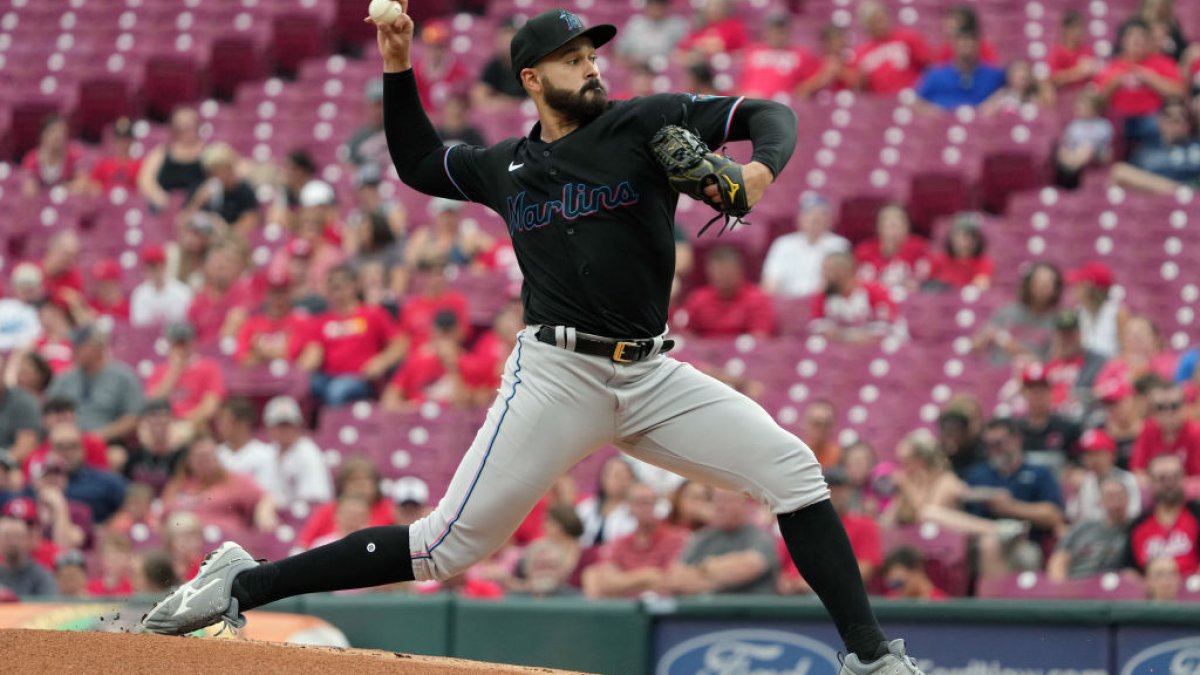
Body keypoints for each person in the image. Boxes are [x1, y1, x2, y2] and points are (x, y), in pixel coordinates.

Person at [142, 9, 925, 674]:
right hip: (556, 376)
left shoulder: (642, 121)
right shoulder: (505, 166)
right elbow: (418, 162)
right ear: (531, 78)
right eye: (573, 58)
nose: (591, 67)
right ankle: (241, 583)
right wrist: (397, 65)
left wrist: (757, 176)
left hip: (652, 375)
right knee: (443, 546)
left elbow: (765, 115)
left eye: (592, 55)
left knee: (792, 468)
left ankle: (871, 656)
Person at [964, 418, 1064, 578]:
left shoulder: (1038, 473)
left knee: (1026, 555)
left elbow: (1053, 515)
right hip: (980, 539)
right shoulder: (977, 475)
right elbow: (963, 512)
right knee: (989, 544)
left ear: (1016, 440)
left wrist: (1010, 507)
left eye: (999, 443)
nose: (994, 450)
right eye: (988, 445)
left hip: (1024, 541)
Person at [298, 265, 408, 406]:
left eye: (341, 285)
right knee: (303, 386)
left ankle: (334, 425)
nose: (337, 291)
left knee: (338, 390)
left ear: (354, 285)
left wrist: (382, 362)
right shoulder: (323, 321)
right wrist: (301, 370)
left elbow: (400, 344)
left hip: (360, 379)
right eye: (332, 287)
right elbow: (313, 353)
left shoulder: (372, 314)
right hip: (328, 377)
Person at [778, 467, 881, 595]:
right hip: (795, 598)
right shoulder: (799, 525)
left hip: (840, 596)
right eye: (830, 487)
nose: (836, 493)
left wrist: (816, 584)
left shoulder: (864, 525)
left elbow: (866, 569)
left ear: (849, 492)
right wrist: (785, 582)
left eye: (841, 488)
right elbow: (779, 565)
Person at [581, 482, 689, 598]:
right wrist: (645, 577)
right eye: (640, 502)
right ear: (630, 507)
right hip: (624, 609)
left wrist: (621, 582)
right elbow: (604, 579)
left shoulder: (675, 537)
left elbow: (670, 581)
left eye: (649, 502)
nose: (645, 507)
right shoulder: (621, 542)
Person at [662, 488, 779, 595]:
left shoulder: (759, 536)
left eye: (726, 501)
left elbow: (747, 568)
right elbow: (674, 579)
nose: (719, 506)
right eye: (715, 501)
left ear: (743, 503)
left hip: (749, 613)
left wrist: (700, 571)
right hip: (703, 613)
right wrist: (712, 573)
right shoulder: (702, 537)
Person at [45, 326, 143, 444]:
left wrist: (97, 437)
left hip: (108, 442)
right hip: (65, 442)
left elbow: (133, 417)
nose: (76, 351)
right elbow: (47, 413)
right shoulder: (64, 379)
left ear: (99, 347)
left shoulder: (123, 377)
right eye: (75, 346)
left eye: (82, 346)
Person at [160, 437, 277, 536]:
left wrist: (264, 515)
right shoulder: (178, 485)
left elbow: (265, 498)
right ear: (189, 461)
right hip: (183, 544)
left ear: (217, 457)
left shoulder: (234, 480)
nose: (204, 461)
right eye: (199, 457)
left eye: (208, 456)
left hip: (224, 542)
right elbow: (161, 517)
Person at [1093, 20, 1185, 145]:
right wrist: (1114, 83)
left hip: (1152, 118)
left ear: (1148, 41)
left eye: (1141, 37)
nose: (1137, 41)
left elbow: (1179, 92)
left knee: (1159, 124)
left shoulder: (1162, 62)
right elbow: (1096, 102)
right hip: (1119, 120)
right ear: (1123, 41)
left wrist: (1151, 79)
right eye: (1132, 37)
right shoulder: (1111, 67)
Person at [143, 321, 226, 438]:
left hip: (193, 424)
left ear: (193, 342)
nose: (181, 347)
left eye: (184, 342)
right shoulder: (159, 370)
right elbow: (152, 403)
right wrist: (174, 371)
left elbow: (210, 406)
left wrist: (184, 422)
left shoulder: (209, 367)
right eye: (177, 343)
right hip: (163, 425)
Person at [761, 193, 850, 299]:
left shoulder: (839, 245)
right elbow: (770, 282)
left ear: (830, 220)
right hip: (786, 303)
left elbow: (839, 283)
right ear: (799, 219)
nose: (814, 220)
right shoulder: (783, 244)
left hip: (822, 302)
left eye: (820, 216)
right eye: (809, 215)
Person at [1124, 454, 1200, 576]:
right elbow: (1129, 570)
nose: (1169, 483)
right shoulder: (1138, 525)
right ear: (1150, 482)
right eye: (1162, 478)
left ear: (1184, 478)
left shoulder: (1197, 515)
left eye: (1175, 477)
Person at [296, 456, 394, 550]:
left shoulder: (391, 510)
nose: (361, 485)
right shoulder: (327, 511)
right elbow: (303, 545)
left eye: (367, 479)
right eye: (354, 480)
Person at [974, 261, 1063, 364]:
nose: (1045, 286)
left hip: (1033, 377)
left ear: (1056, 288)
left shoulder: (1059, 321)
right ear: (1029, 284)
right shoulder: (1007, 311)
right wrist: (984, 338)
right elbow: (976, 344)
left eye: (1050, 282)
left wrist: (1007, 342)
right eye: (1040, 281)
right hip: (996, 374)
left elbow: (1050, 362)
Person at [678, 246, 776, 338]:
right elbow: (684, 334)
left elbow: (759, 338)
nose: (720, 276)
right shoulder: (698, 298)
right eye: (716, 271)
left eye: (726, 272)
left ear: (739, 271)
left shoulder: (757, 299)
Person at [1049, 477, 1135, 581]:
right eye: (1110, 497)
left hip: (1111, 587)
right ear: (1100, 501)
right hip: (1076, 585)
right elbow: (1060, 558)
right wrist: (1060, 587)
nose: (1115, 502)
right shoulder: (1082, 527)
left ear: (1128, 499)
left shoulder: (1135, 529)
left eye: (1119, 496)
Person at [1110, 99, 1200, 195]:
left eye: (1182, 116)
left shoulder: (1197, 145)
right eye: (1168, 115)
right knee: (1119, 170)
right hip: (1155, 200)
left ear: (1188, 124)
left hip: (1194, 199)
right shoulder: (1146, 150)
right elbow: (1123, 176)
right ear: (1160, 120)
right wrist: (1174, 188)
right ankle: (1179, 190)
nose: (1175, 121)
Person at [809, 252, 902, 343]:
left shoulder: (875, 291)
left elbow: (886, 329)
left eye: (827, 270)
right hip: (840, 352)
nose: (823, 275)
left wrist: (842, 336)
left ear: (842, 272)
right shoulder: (825, 293)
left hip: (877, 351)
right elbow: (816, 327)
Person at [45, 422, 126, 524]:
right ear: (50, 451)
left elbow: (133, 504)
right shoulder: (40, 484)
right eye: (60, 447)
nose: (67, 453)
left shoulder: (106, 482)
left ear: (83, 449)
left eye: (73, 446)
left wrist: (110, 527)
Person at [850, 0, 932, 94]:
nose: (881, 25)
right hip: (879, 103)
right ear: (866, 26)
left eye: (882, 19)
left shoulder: (908, 37)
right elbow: (859, 88)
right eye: (875, 22)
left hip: (911, 96)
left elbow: (928, 65)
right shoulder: (860, 53)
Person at [263, 396, 333, 506]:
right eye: (279, 425)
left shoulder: (308, 453)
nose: (284, 430)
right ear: (269, 428)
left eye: (288, 425)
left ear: (298, 426)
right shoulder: (267, 452)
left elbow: (314, 501)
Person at [915, 27, 1006, 110]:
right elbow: (916, 102)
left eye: (971, 41)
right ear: (953, 45)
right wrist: (937, 114)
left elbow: (1010, 95)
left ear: (978, 45)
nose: (967, 45)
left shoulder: (994, 76)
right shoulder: (935, 75)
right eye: (962, 42)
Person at [234, 270, 312, 367]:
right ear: (265, 294)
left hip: (287, 379)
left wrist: (260, 351)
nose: (277, 298)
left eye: (281, 292)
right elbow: (241, 359)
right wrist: (271, 354)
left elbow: (293, 357)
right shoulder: (251, 324)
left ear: (289, 294)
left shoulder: (301, 322)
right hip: (256, 378)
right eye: (273, 293)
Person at [136, 107, 208, 211]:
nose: (187, 132)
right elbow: (145, 180)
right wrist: (158, 196)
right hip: (165, 208)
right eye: (182, 127)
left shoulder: (210, 152)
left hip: (198, 209)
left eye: (190, 126)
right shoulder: (161, 153)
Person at [181, 143, 260, 236]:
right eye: (214, 171)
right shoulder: (201, 188)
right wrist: (198, 201)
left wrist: (223, 229)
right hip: (202, 239)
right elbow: (183, 224)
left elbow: (250, 222)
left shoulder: (243, 190)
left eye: (223, 169)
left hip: (230, 241)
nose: (220, 175)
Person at [1068, 428, 1141, 523]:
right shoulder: (1085, 481)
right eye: (1087, 454)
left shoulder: (1128, 479)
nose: (1091, 459)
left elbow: (1133, 512)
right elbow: (1071, 514)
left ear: (1112, 455)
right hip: (1089, 533)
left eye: (1097, 453)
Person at [739, 13, 818, 100]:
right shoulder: (753, 50)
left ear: (788, 32)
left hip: (780, 104)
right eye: (773, 30)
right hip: (751, 101)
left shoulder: (800, 55)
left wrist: (795, 94)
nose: (777, 35)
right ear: (766, 32)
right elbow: (740, 79)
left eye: (781, 31)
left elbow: (813, 80)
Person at [1130, 381, 1200, 480]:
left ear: (1185, 406)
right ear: (1152, 410)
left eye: (1174, 406)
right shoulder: (1147, 430)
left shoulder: (1196, 433)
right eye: (1160, 407)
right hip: (1156, 493)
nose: (1168, 412)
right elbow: (1138, 472)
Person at [214, 398, 282, 500]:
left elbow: (265, 494)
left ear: (243, 424)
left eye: (225, 421)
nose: (220, 427)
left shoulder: (266, 454)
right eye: (219, 421)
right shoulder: (214, 454)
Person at [854, 204, 929, 292]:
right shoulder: (864, 250)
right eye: (887, 223)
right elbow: (860, 284)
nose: (892, 228)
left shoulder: (919, 247)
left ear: (907, 226)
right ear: (878, 227)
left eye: (896, 223)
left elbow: (923, 280)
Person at [121, 399, 185, 496]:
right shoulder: (134, 451)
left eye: (164, 415)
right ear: (145, 421)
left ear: (172, 420)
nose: (159, 419)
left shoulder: (182, 453)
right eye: (154, 415)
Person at [1016, 363, 1082, 457]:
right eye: (1032, 390)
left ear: (1051, 392)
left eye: (1042, 389)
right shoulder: (1014, 431)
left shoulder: (1068, 429)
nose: (1037, 395)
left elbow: (1076, 463)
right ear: (1023, 392)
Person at [1067, 261, 1127, 361]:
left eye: (1079, 285)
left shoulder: (1118, 313)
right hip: (1084, 369)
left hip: (1108, 370)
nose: (1074, 289)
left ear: (1090, 289)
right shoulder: (1078, 312)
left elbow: (1126, 353)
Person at [1054, 92, 1115, 189]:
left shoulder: (1103, 125)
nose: (1080, 107)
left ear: (1095, 109)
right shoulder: (1074, 125)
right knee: (1061, 151)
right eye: (1079, 105)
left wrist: (1084, 148)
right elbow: (1068, 144)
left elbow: (1101, 144)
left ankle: (1070, 171)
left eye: (1084, 105)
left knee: (1086, 148)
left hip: (1097, 154)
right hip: (1075, 153)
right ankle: (1069, 171)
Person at [575, 456, 637, 547]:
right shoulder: (586, 507)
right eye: (616, 475)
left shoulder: (633, 512)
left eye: (626, 477)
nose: (620, 481)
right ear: (603, 477)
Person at [20, 114, 86, 196]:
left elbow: (82, 184)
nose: (59, 136)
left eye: (62, 132)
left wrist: (64, 189)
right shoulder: (32, 159)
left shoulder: (74, 156)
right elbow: (28, 190)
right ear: (43, 135)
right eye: (53, 132)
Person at [925, 212, 992, 290]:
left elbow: (981, 286)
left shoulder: (983, 263)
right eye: (959, 235)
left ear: (977, 240)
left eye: (968, 236)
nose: (963, 241)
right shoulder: (939, 259)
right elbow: (927, 285)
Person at [0, 510, 57, 597]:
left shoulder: (41, 576)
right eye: (7, 537)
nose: (12, 542)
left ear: (27, 540)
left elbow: (49, 606)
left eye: (17, 537)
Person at [471, 19, 527, 107]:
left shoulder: (533, 65)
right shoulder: (495, 65)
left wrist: (507, 102)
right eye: (505, 37)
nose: (508, 42)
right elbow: (478, 94)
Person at [615, 0, 688, 65]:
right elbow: (619, 51)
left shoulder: (676, 25)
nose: (656, 9)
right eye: (653, 5)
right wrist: (632, 58)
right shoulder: (636, 23)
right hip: (637, 66)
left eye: (660, 5)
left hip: (665, 66)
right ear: (647, 7)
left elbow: (683, 51)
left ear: (666, 7)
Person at [84, 117, 142, 196]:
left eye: (126, 139)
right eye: (119, 139)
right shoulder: (103, 164)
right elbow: (93, 186)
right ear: (114, 141)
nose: (122, 143)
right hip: (106, 204)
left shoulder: (139, 165)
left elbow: (141, 190)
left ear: (132, 140)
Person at [674, 0, 748, 60]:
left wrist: (696, 48)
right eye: (709, 7)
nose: (710, 9)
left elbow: (715, 48)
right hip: (701, 67)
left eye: (714, 6)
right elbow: (681, 49)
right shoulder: (705, 28)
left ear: (725, 8)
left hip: (723, 66)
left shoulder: (734, 25)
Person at [345, 79, 390, 173]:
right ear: (368, 106)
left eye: (382, 104)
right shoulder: (358, 137)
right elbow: (347, 165)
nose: (379, 110)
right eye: (375, 105)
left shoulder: (400, 134)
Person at [979, 59, 1054, 116]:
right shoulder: (1002, 95)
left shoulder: (1033, 97)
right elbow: (984, 113)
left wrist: (1041, 83)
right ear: (1009, 77)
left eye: (1025, 76)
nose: (1022, 78)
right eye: (1018, 76)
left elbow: (1048, 109)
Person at [1048, 11, 1099, 89]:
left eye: (1081, 27)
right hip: (1062, 95)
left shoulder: (1087, 51)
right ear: (1066, 29)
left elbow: (1095, 74)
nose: (1078, 31)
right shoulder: (1057, 51)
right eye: (1074, 27)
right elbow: (1054, 78)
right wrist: (1080, 72)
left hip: (1082, 95)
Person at [933, 6, 998, 65]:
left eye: (955, 23)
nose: (949, 27)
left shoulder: (984, 49)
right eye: (949, 23)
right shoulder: (945, 49)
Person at [879, 546, 948, 600]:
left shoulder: (941, 603)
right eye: (893, 585)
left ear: (917, 570)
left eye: (899, 584)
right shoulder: (891, 600)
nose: (897, 590)